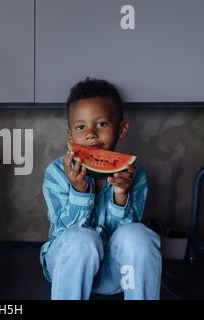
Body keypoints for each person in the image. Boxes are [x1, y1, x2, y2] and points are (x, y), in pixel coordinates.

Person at [40, 77, 162, 300]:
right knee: (80, 239)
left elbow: (124, 237)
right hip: (69, 270)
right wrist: (79, 191)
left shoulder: (134, 175)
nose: (91, 134)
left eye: (101, 124)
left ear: (122, 129)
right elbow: (61, 233)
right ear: (70, 135)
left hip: (115, 274)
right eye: (80, 127)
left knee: (138, 234)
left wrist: (120, 195)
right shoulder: (57, 173)